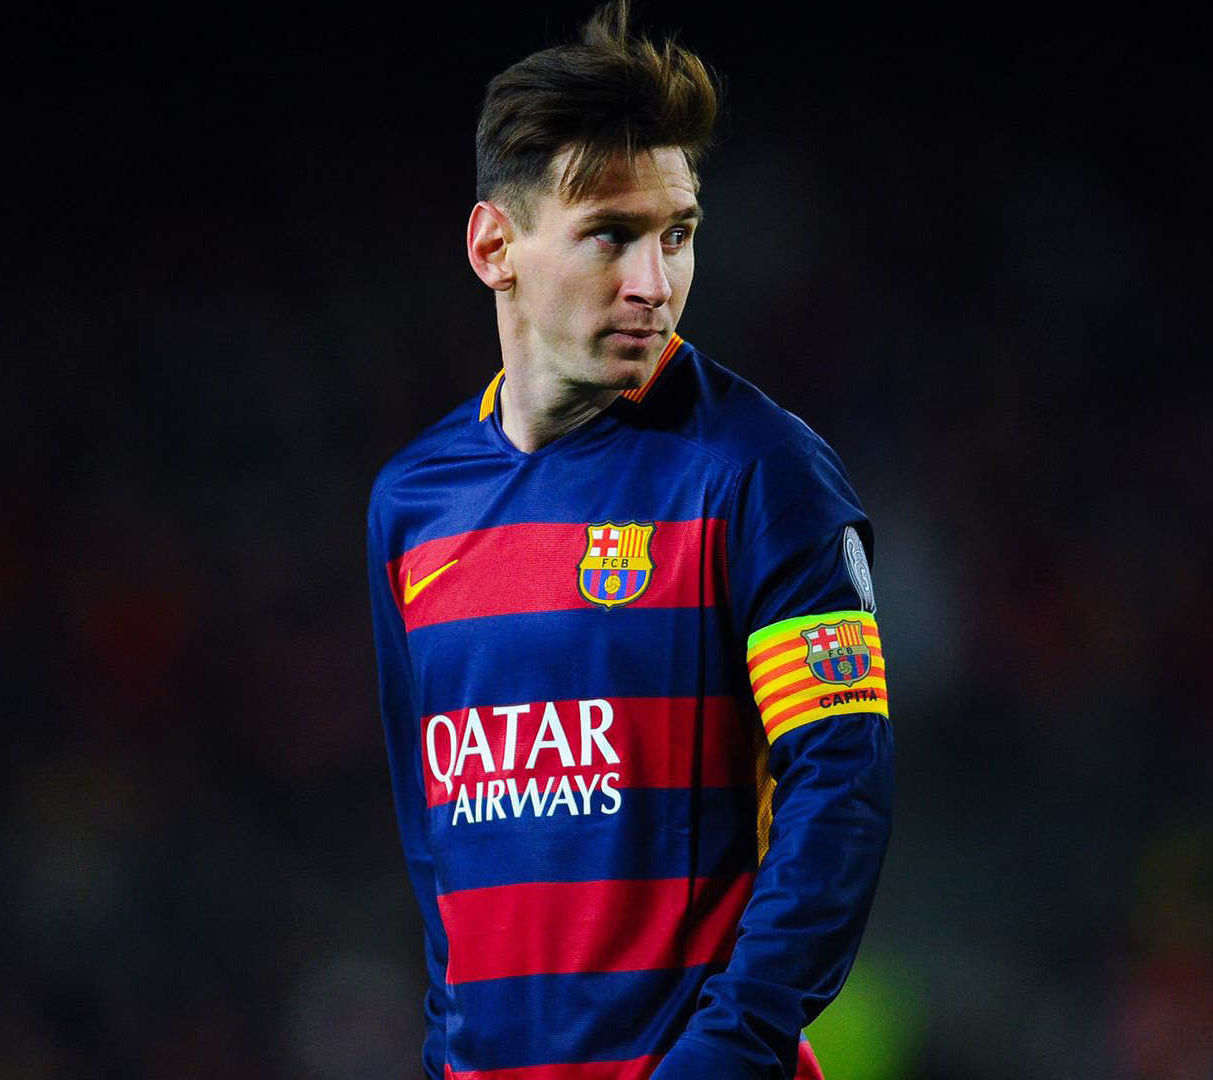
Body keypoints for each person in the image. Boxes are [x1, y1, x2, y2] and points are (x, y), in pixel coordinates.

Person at [365, 4, 893, 1077]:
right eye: (611, 234)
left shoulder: (759, 475)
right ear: (495, 247)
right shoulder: (413, 507)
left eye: (677, 234)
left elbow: (841, 792)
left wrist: (727, 1055)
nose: (655, 282)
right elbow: (437, 854)